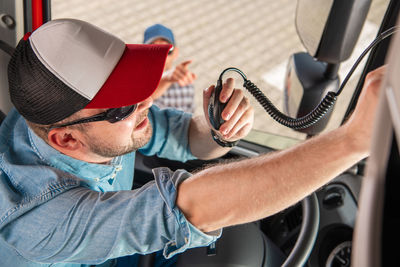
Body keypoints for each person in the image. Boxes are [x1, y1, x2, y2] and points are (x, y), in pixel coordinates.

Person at [0, 18, 384, 267]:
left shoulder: (60, 118)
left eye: (139, 86)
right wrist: (351, 140)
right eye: (124, 106)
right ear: (66, 139)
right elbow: (190, 207)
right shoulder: (38, 222)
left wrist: (218, 131)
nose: (147, 102)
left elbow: (184, 138)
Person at [143, 23, 197, 113]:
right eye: (153, 49)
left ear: (176, 52)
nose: (161, 55)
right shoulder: (138, 80)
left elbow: (190, 117)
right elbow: (142, 99)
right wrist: (166, 79)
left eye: (167, 49)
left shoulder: (186, 84)